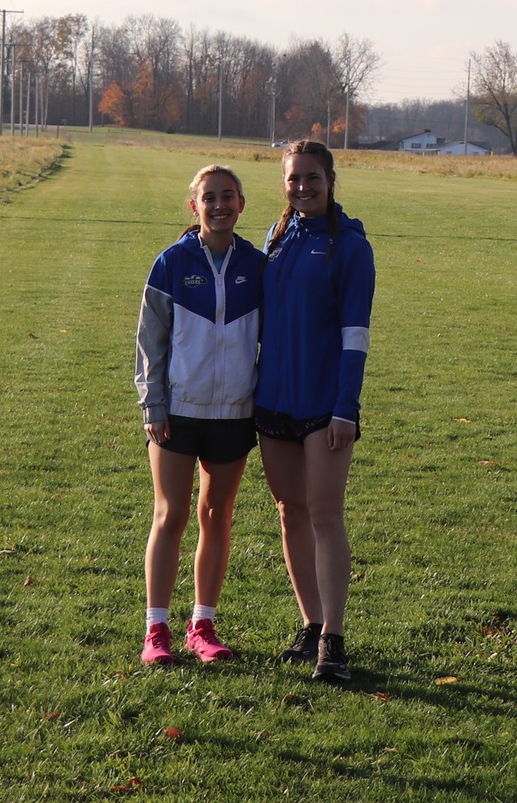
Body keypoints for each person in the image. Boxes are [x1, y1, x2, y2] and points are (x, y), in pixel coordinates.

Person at [132, 164, 264, 666]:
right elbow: (151, 343)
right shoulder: (170, 264)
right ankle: (156, 630)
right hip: (177, 413)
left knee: (216, 515)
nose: (219, 205)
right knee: (171, 515)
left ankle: (203, 625)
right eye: (209, 197)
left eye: (228, 196)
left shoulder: (258, 265)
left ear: (241, 203)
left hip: (233, 414)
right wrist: (154, 405)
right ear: (195, 206)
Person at [255, 140, 375, 684]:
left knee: (326, 515)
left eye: (312, 178)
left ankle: (334, 640)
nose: (302, 187)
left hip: (326, 407)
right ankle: (310, 623)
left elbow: (355, 336)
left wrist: (345, 408)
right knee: (290, 512)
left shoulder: (350, 246)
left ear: (331, 180)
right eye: (293, 178)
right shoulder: (276, 238)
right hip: (273, 401)